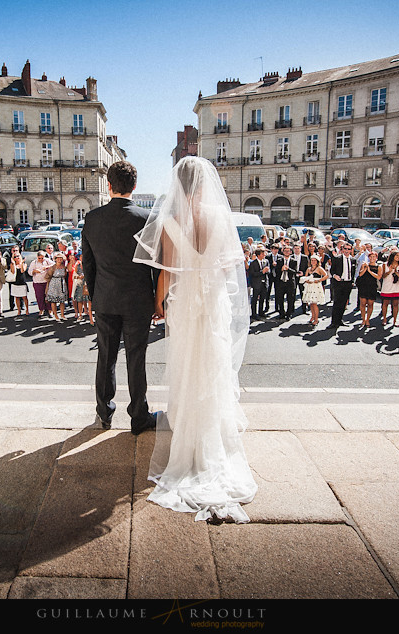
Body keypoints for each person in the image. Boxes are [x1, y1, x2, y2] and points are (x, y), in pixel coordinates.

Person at [133, 156, 256, 523]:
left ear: (179, 185)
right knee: (213, 367)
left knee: (186, 368)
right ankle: (213, 436)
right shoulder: (221, 217)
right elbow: (228, 265)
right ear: (204, 184)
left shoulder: (169, 221)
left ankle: (189, 439)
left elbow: (167, 275)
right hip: (213, 303)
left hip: (185, 306)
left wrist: (160, 305)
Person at [82, 160, 157, 434]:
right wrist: (156, 298)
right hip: (138, 301)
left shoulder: (92, 218)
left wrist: (95, 296)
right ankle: (139, 416)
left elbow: (88, 264)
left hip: (105, 298)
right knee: (137, 358)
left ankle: (104, 413)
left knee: (106, 357)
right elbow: (154, 265)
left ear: (109, 185)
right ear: (134, 187)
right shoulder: (146, 219)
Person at [328, 242, 357, 329]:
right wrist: (335, 276)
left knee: (343, 303)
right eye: (345, 249)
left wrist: (352, 281)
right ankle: (334, 322)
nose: (347, 251)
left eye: (349, 249)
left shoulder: (353, 260)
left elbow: (353, 272)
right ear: (342, 249)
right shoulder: (337, 259)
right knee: (337, 303)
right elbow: (332, 270)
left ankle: (340, 320)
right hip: (339, 283)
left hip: (348, 284)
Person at [379, 251, 399, 328]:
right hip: (387, 286)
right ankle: (384, 319)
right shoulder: (385, 265)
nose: (398, 257)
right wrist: (389, 271)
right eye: (397, 255)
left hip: (397, 286)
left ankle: (395, 320)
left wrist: (396, 272)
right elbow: (382, 276)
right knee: (385, 303)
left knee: (396, 304)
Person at [300, 257, 328, 325]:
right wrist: (307, 280)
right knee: (311, 304)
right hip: (309, 287)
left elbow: (326, 275)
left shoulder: (319, 268)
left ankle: (316, 319)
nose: (313, 262)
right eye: (312, 260)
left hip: (316, 286)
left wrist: (318, 280)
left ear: (317, 261)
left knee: (314, 303)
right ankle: (312, 316)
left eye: (314, 260)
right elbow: (306, 277)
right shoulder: (308, 269)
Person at [273, 245, 298, 320]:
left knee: (290, 299)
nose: (287, 252)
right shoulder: (279, 260)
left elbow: (295, 272)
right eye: (285, 251)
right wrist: (281, 269)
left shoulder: (294, 261)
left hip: (289, 282)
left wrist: (288, 269)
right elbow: (276, 271)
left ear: (291, 252)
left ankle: (288, 314)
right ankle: (281, 313)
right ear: (283, 252)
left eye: (288, 251)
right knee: (280, 298)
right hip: (281, 282)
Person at [356, 251, 380, 327]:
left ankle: (368, 320)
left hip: (372, 286)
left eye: (374, 257)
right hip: (363, 285)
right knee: (362, 303)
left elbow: (378, 276)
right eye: (370, 257)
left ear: (376, 258)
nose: (372, 258)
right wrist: (365, 268)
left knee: (370, 304)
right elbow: (360, 274)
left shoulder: (378, 266)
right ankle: (363, 319)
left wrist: (369, 270)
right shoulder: (364, 264)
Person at [45, 251, 69, 321]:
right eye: (58, 258)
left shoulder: (64, 267)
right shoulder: (52, 267)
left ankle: (62, 314)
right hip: (54, 284)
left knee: (62, 301)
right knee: (53, 301)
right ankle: (56, 315)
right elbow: (47, 276)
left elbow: (65, 275)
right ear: (55, 259)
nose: (59, 260)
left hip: (61, 284)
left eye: (61, 258)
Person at [28, 250, 53, 316]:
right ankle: (41, 309)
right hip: (37, 282)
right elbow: (29, 272)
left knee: (48, 296)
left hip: (46, 281)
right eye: (39, 258)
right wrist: (35, 271)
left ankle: (50, 310)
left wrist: (47, 267)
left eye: (42, 258)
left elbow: (54, 265)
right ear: (37, 257)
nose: (41, 259)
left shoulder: (47, 261)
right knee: (39, 297)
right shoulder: (34, 262)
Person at [247, 248, 270, 320]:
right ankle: (254, 314)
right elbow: (252, 273)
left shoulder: (266, 261)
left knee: (262, 298)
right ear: (258, 255)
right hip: (257, 283)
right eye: (262, 254)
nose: (264, 255)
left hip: (264, 283)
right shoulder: (253, 263)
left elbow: (269, 271)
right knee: (254, 299)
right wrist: (262, 272)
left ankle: (261, 312)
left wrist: (267, 271)